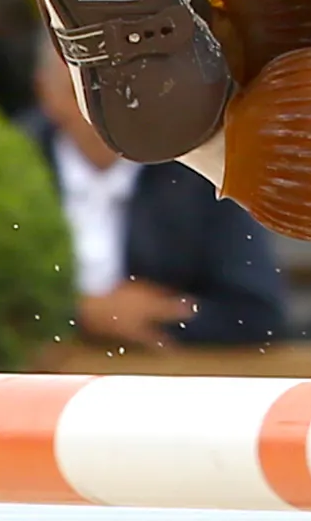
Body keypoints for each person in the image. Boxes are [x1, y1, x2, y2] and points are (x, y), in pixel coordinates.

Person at [26, 37, 288, 351]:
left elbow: (256, 312)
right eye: (83, 94)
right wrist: (82, 313)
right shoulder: (7, 165)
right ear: (46, 94)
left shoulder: (202, 170)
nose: (104, 112)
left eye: (123, 91)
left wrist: (163, 317)